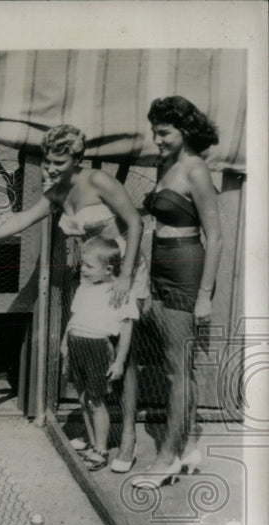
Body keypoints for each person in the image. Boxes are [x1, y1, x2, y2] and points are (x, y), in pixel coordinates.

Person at [0, 124, 146, 471]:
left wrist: (125, 276)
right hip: (90, 279)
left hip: (123, 273)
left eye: (58, 163)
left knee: (123, 355)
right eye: (48, 161)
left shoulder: (100, 182)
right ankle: (94, 430)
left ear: (77, 159)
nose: (50, 168)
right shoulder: (57, 193)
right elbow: (25, 217)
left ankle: (127, 437)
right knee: (88, 349)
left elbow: (136, 223)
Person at [131, 97, 223, 488]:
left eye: (164, 132)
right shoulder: (165, 165)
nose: (157, 139)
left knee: (176, 370)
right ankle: (187, 449)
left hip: (187, 270)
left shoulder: (196, 169)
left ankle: (166, 459)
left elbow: (216, 237)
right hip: (162, 267)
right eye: (154, 131)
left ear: (184, 131)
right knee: (175, 366)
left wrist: (203, 296)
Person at [60, 237, 138, 471]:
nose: (83, 269)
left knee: (96, 400)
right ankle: (93, 442)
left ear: (108, 270)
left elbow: (126, 329)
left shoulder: (120, 292)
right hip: (77, 344)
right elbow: (75, 317)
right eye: (83, 264)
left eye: (89, 266)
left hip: (97, 347)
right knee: (83, 398)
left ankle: (101, 449)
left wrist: (120, 362)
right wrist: (65, 344)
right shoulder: (84, 287)